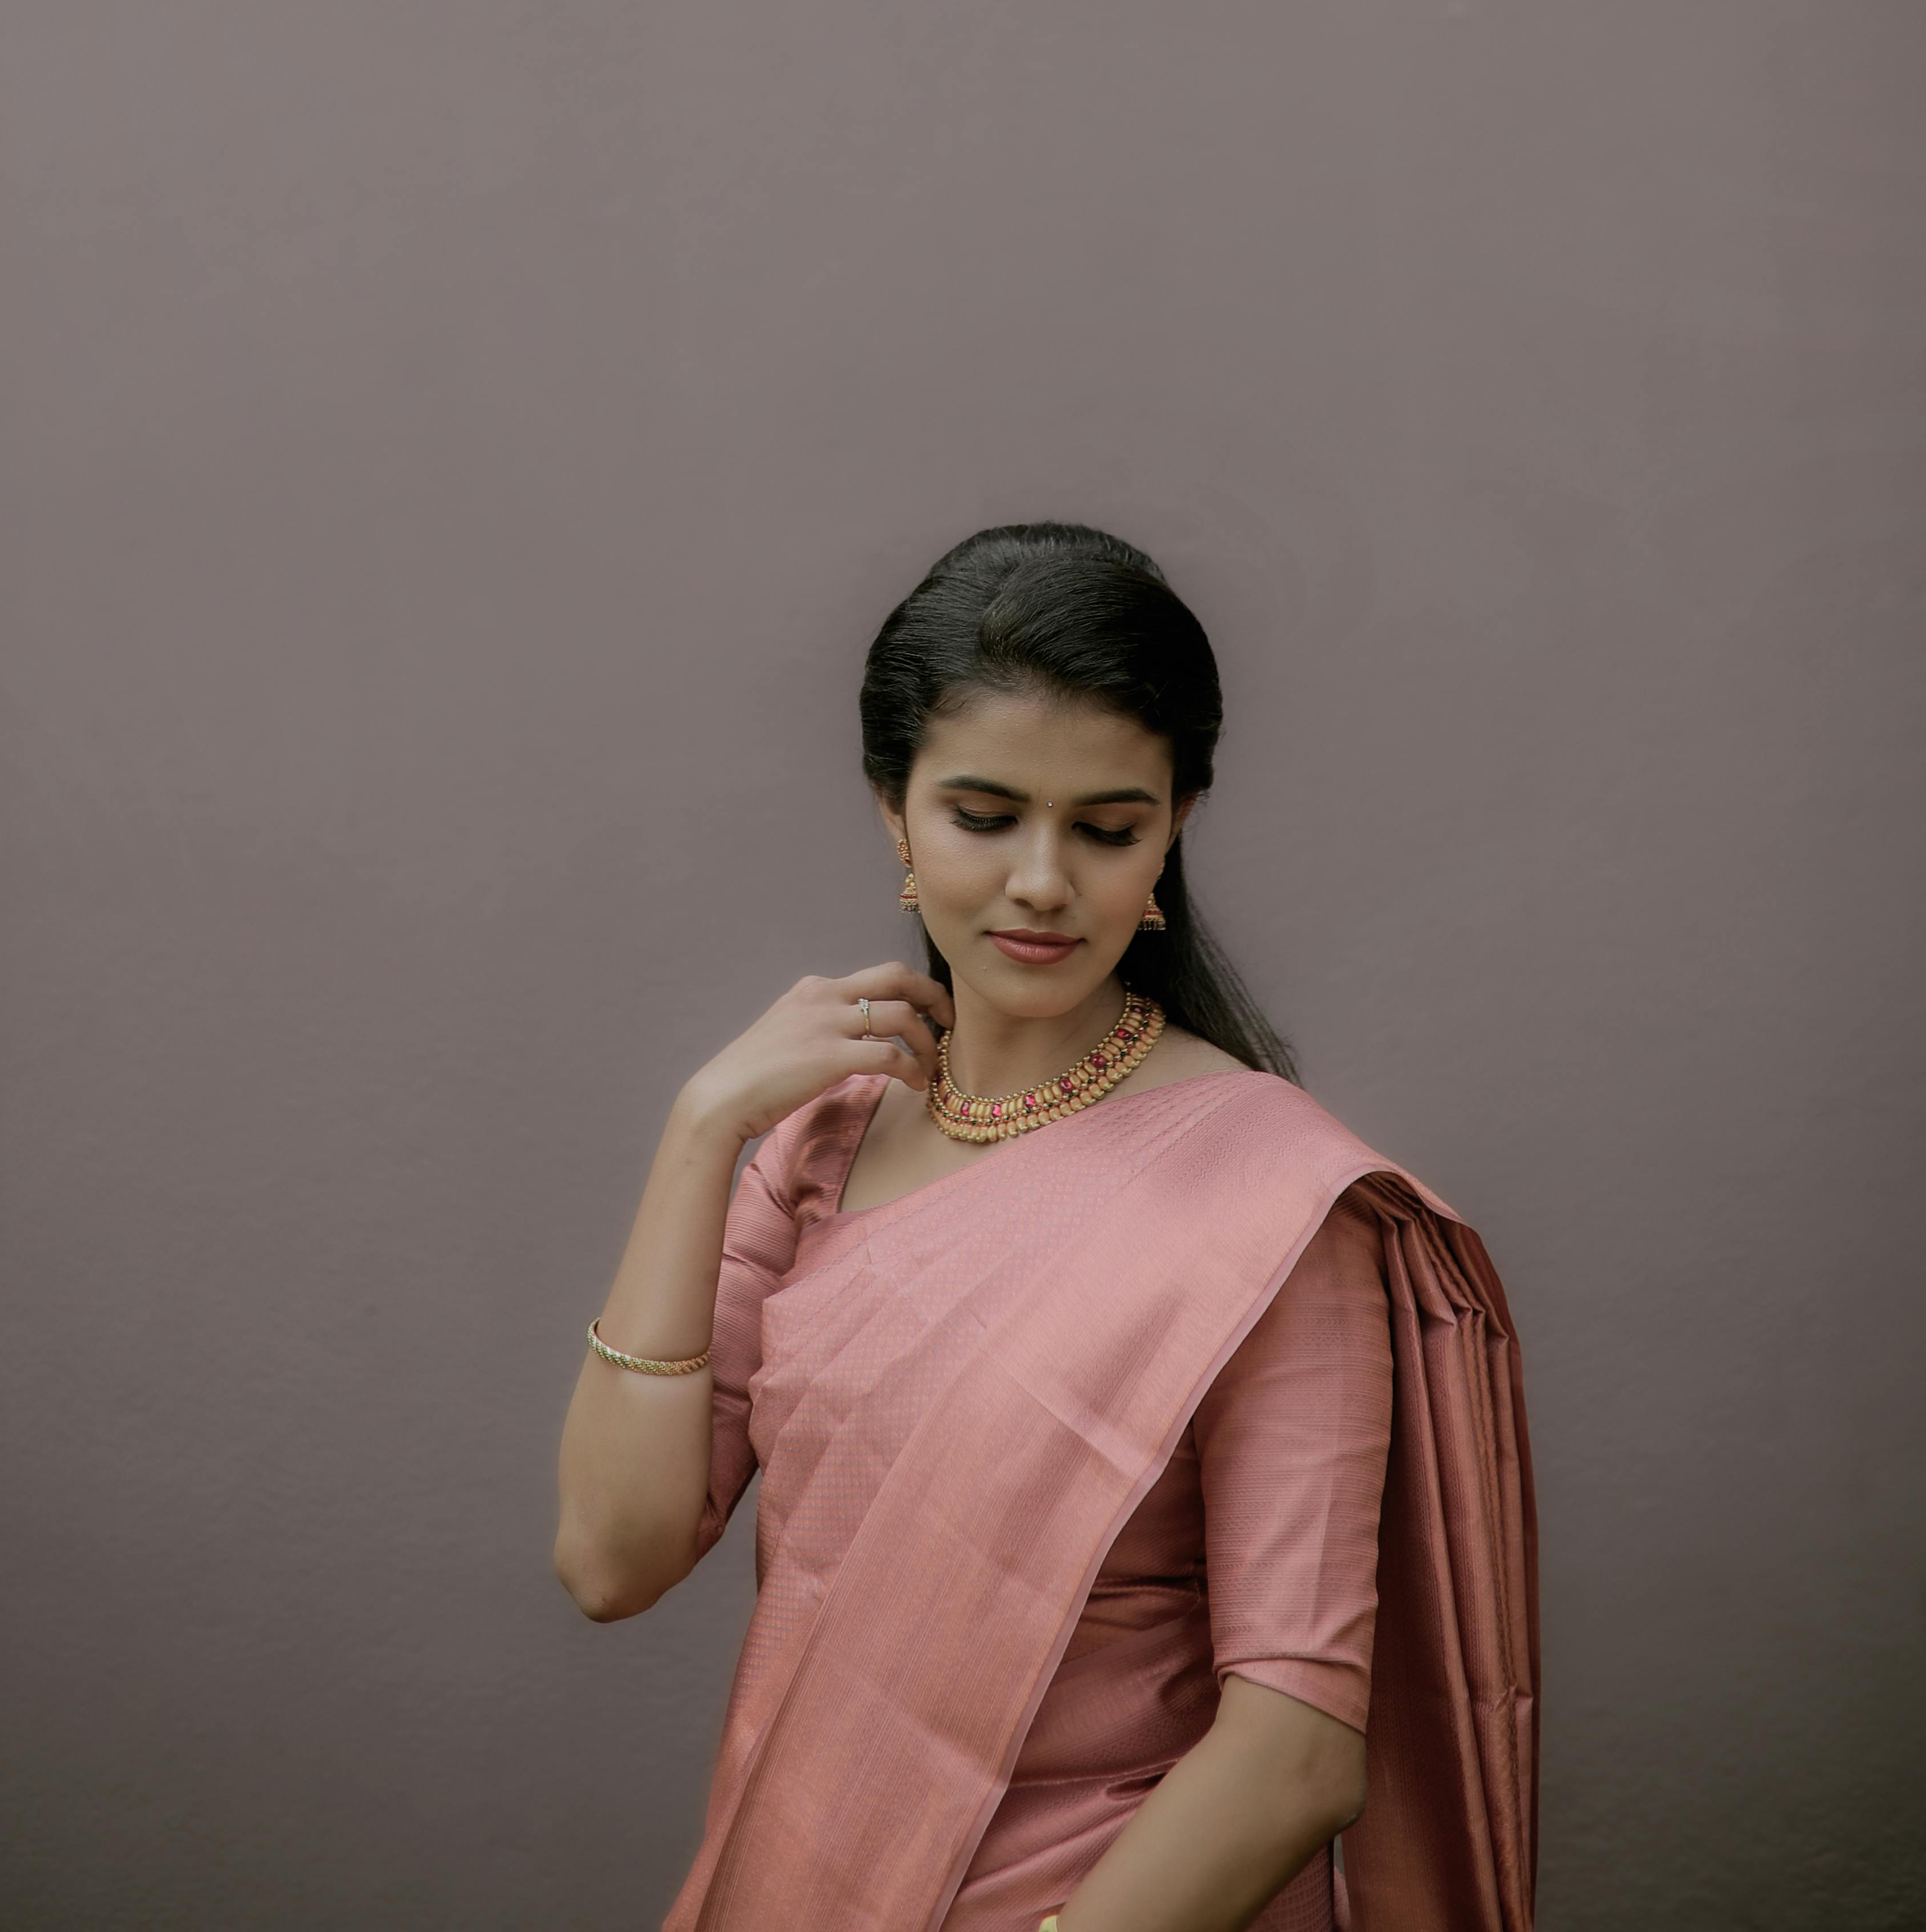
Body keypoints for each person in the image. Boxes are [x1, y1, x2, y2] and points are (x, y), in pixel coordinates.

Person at [556, 525, 1538, 1931]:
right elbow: (612, 1557)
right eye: (983, 813)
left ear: (1175, 827)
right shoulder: (821, 1147)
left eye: (1105, 826)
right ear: (893, 811)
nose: (1040, 880)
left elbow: (1297, 1751)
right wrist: (702, 1128)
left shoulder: (1274, 1210)